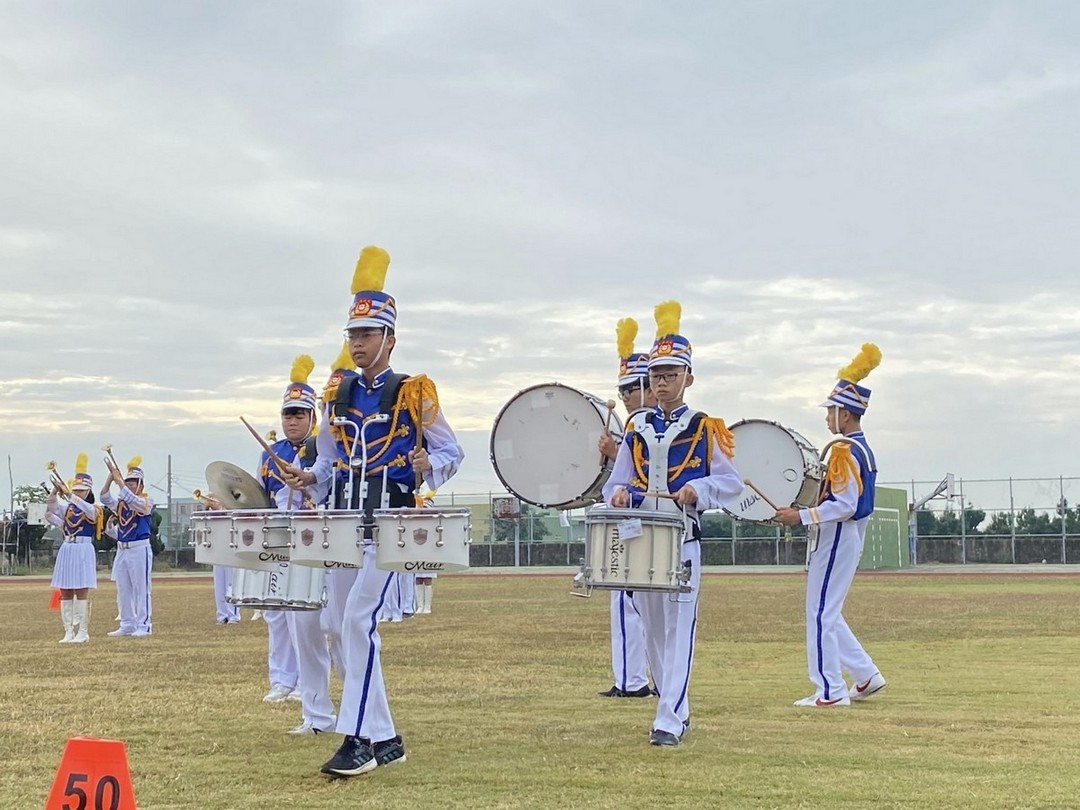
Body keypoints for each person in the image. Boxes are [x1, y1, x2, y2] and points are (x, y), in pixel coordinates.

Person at [287, 244, 464, 777]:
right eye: (352, 335)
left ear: (389, 337)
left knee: (360, 621)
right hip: (344, 524)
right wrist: (309, 477)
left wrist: (426, 461)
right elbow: (328, 460)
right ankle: (387, 738)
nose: (357, 343)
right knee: (343, 627)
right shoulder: (337, 396)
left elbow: (453, 452)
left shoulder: (415, 392)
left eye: (366, 335)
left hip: (392, 526)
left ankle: (357, 737)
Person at [602, 300, 744, 747]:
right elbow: (614, 483)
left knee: (680, 627)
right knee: (654, 631)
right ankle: (673, 705)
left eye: (670, 374)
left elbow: (731, 483)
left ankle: (668, 719)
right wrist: (619, 495)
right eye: (656, 375)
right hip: (640, 536)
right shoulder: (635, 427)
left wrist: (698, 490)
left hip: (682, 539)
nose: (661, 382)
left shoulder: (706, 428)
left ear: (688, 378)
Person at [775, 343, 887, 708]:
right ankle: (865, 674)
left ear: (847, 414)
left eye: (832, 411)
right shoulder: (861, 448)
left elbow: (845, 505)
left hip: (838, 534)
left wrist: (800, 516)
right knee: (827, 610)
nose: (827, 418)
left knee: (821, 612)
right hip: (847, 536)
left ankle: (830, 690)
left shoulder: (843, 449)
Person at [596, 317, 655, 699]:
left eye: (634, 387)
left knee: (631, 603)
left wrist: (615, 453)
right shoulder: (634, 423)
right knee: (629, 604)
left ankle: (633, 681)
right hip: (631, 519)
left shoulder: (647, 425)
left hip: (644, 520)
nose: (628, 395)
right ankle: (630, 678)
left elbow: (649, 473)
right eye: (623, 388)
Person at [44, 453, 101, 644]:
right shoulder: (68, 507)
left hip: (83, 549)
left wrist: (69, 495)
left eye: (81, 490)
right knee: (66, 590)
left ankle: (82, 631)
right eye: (75, 490)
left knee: (81, 589)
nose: (78, 492)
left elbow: (89, 512)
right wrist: (55, 491)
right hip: (68, 548)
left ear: (88, 491)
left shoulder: (94, 508)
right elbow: (51, 509)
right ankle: (68, 630)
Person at [100, 456, 155, 637]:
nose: (129, 484)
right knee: (123, 589)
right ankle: (127, 623)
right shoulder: (122, 503)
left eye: (133, 482)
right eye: (128, 481)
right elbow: (104, 497)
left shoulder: (147, 500)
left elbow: (138, 505)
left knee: (141, 588)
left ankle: (144, 625)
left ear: (141, 484)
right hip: (122, 549)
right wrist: (111, 475)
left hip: (139, 548)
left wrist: (120, 483)